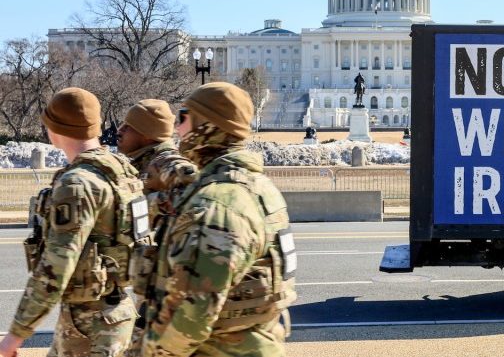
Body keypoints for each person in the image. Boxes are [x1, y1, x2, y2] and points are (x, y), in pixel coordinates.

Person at [142, 82, 296, 357]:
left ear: (207, 126)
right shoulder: (259, 187)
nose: (177, 129)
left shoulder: (219, 202)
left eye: (184, 117)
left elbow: (191, 317)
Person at [0, 88, 146, 357]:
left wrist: (16, 334)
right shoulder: (119, 171)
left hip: (90, 328)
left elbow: (56, 267)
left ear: (55, 129)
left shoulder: (77, 184)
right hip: (112, 314)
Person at [117, 99, 198, 357]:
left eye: (127, 127)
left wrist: (144, 205)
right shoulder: (143, 163)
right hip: (152, 285)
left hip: (170, 286)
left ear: (146, 134)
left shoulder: (165, 161)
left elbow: (194, 190)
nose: (119, 131)